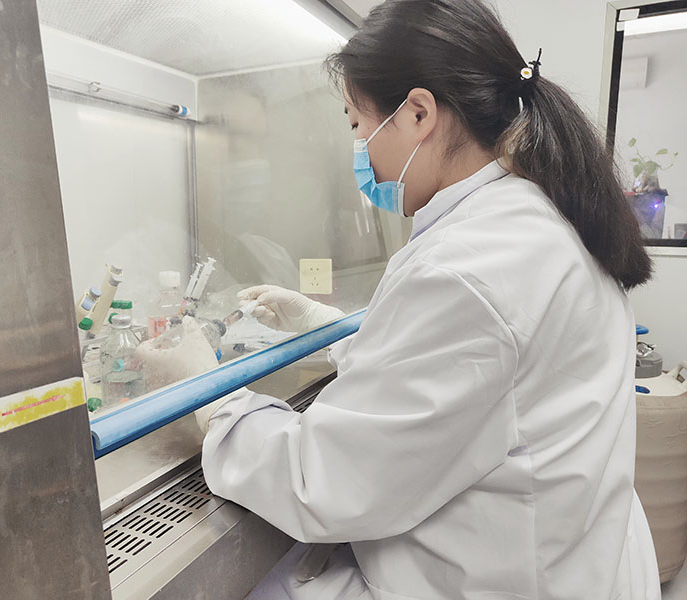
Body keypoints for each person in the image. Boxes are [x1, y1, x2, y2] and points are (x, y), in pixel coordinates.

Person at [149, 0, 663, 597]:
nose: (360, 150)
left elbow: (324, 482)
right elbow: (459, 376)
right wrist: (326, 324)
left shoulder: (469, 266)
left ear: (419, 113)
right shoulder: (531, 217)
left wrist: (207, 395)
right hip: (569, 552)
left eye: (356, 125)